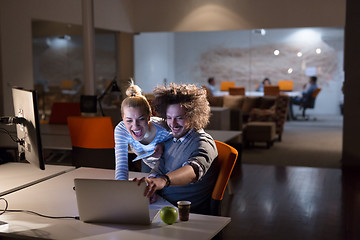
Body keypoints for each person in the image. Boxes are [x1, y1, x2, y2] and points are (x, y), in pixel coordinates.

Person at [135, 83, 219, 215]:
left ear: (193, 116)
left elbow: (193, 171)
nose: (172, 124)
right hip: (161, 204)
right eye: (169, 118)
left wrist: (163, 181)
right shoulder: (170, 140)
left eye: (179, 118)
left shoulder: (203, 142)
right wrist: (151, 185)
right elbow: (159, 168)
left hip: (186, 214)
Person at [114, 82, 172, 180]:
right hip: (148, 164)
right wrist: (121, 189)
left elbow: (183, 146)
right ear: (122, 118)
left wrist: (165, 145)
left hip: (170, 166)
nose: (135, 126)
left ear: (149, 116)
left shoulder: (164, 128)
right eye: (128, 120)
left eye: (141, 119)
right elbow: (121, 166)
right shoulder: (122, 130)